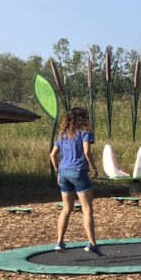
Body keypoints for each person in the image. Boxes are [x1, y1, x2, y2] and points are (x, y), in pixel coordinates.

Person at [49, 107, 102, 255]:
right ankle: (92, 244)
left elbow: (52, 155)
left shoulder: (63, 134)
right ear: (83, 118)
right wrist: (94, 168)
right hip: (78, 172)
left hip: (64, 173)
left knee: (66, 209)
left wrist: (58, 170)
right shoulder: (85, 131)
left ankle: (59, 242)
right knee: (87, 209)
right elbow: (86, 151)